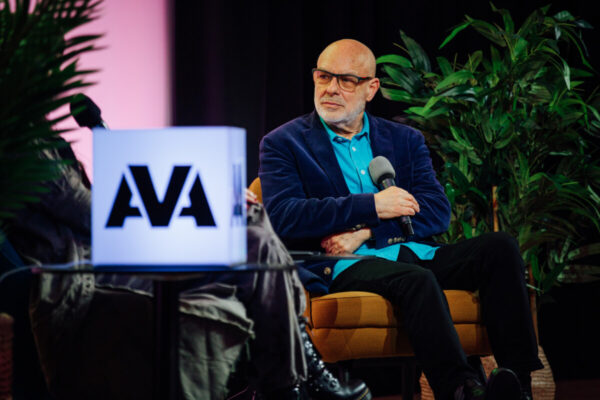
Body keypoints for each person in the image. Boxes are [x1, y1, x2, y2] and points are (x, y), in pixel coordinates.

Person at [259, 38, 544, 400]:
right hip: (342, 262)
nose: (330, 88)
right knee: (417, 279)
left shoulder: (404, 139)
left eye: (346, 80)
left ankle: (517, 384)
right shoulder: (284, 143)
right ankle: (462, 390)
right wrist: (372, 206)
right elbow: (283, 216)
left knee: (500, 247)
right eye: (323, 76)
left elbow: (436, 210)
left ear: (371, 88)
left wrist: (366, 231)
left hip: (406, 250)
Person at [6, 137, 370, 400]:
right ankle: (293, 378)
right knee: (249, 230)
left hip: (117, 249)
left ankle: (290, 381)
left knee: (250, 222)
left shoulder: (42, 135)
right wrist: (203, 203)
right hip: (89, 266)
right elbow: (89, 214)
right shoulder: (22, 141)